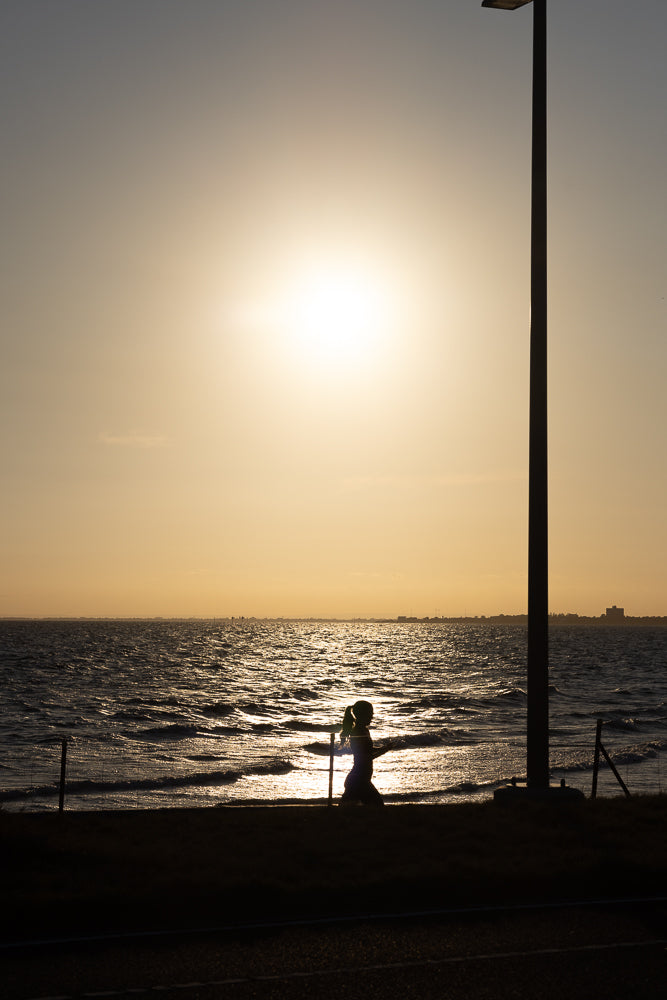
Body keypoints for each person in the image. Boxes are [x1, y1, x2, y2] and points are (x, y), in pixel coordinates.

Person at [339, 700, 392, 806]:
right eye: (370, 714)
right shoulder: (357, 732)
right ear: (362, 715)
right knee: (377, 806)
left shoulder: (364, 730)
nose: (372, 717)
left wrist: (383, 748)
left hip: (361, 779)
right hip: (359, 780)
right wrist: (384, 751)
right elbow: (365, 757)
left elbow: (367, 749)